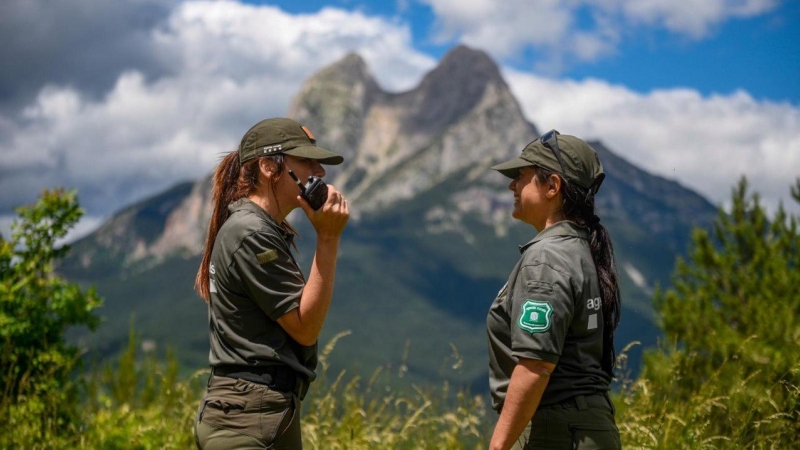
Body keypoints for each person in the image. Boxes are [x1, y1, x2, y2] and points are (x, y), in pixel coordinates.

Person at [193, 117, 349, 449]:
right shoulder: (251, 232)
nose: (319, 172)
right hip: (247, 420)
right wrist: (329, 238)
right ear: (268, 166)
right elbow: (305, 327)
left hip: (262, 413)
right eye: (306, 160)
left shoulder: (257, 228)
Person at [486, 130, 622, 450]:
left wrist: (498, 446)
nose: (512, 185)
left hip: (554, 432)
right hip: (589, 427)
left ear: (552, 186)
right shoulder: (581, 250)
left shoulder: (546, 258)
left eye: (521, 175)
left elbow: (536, 365)